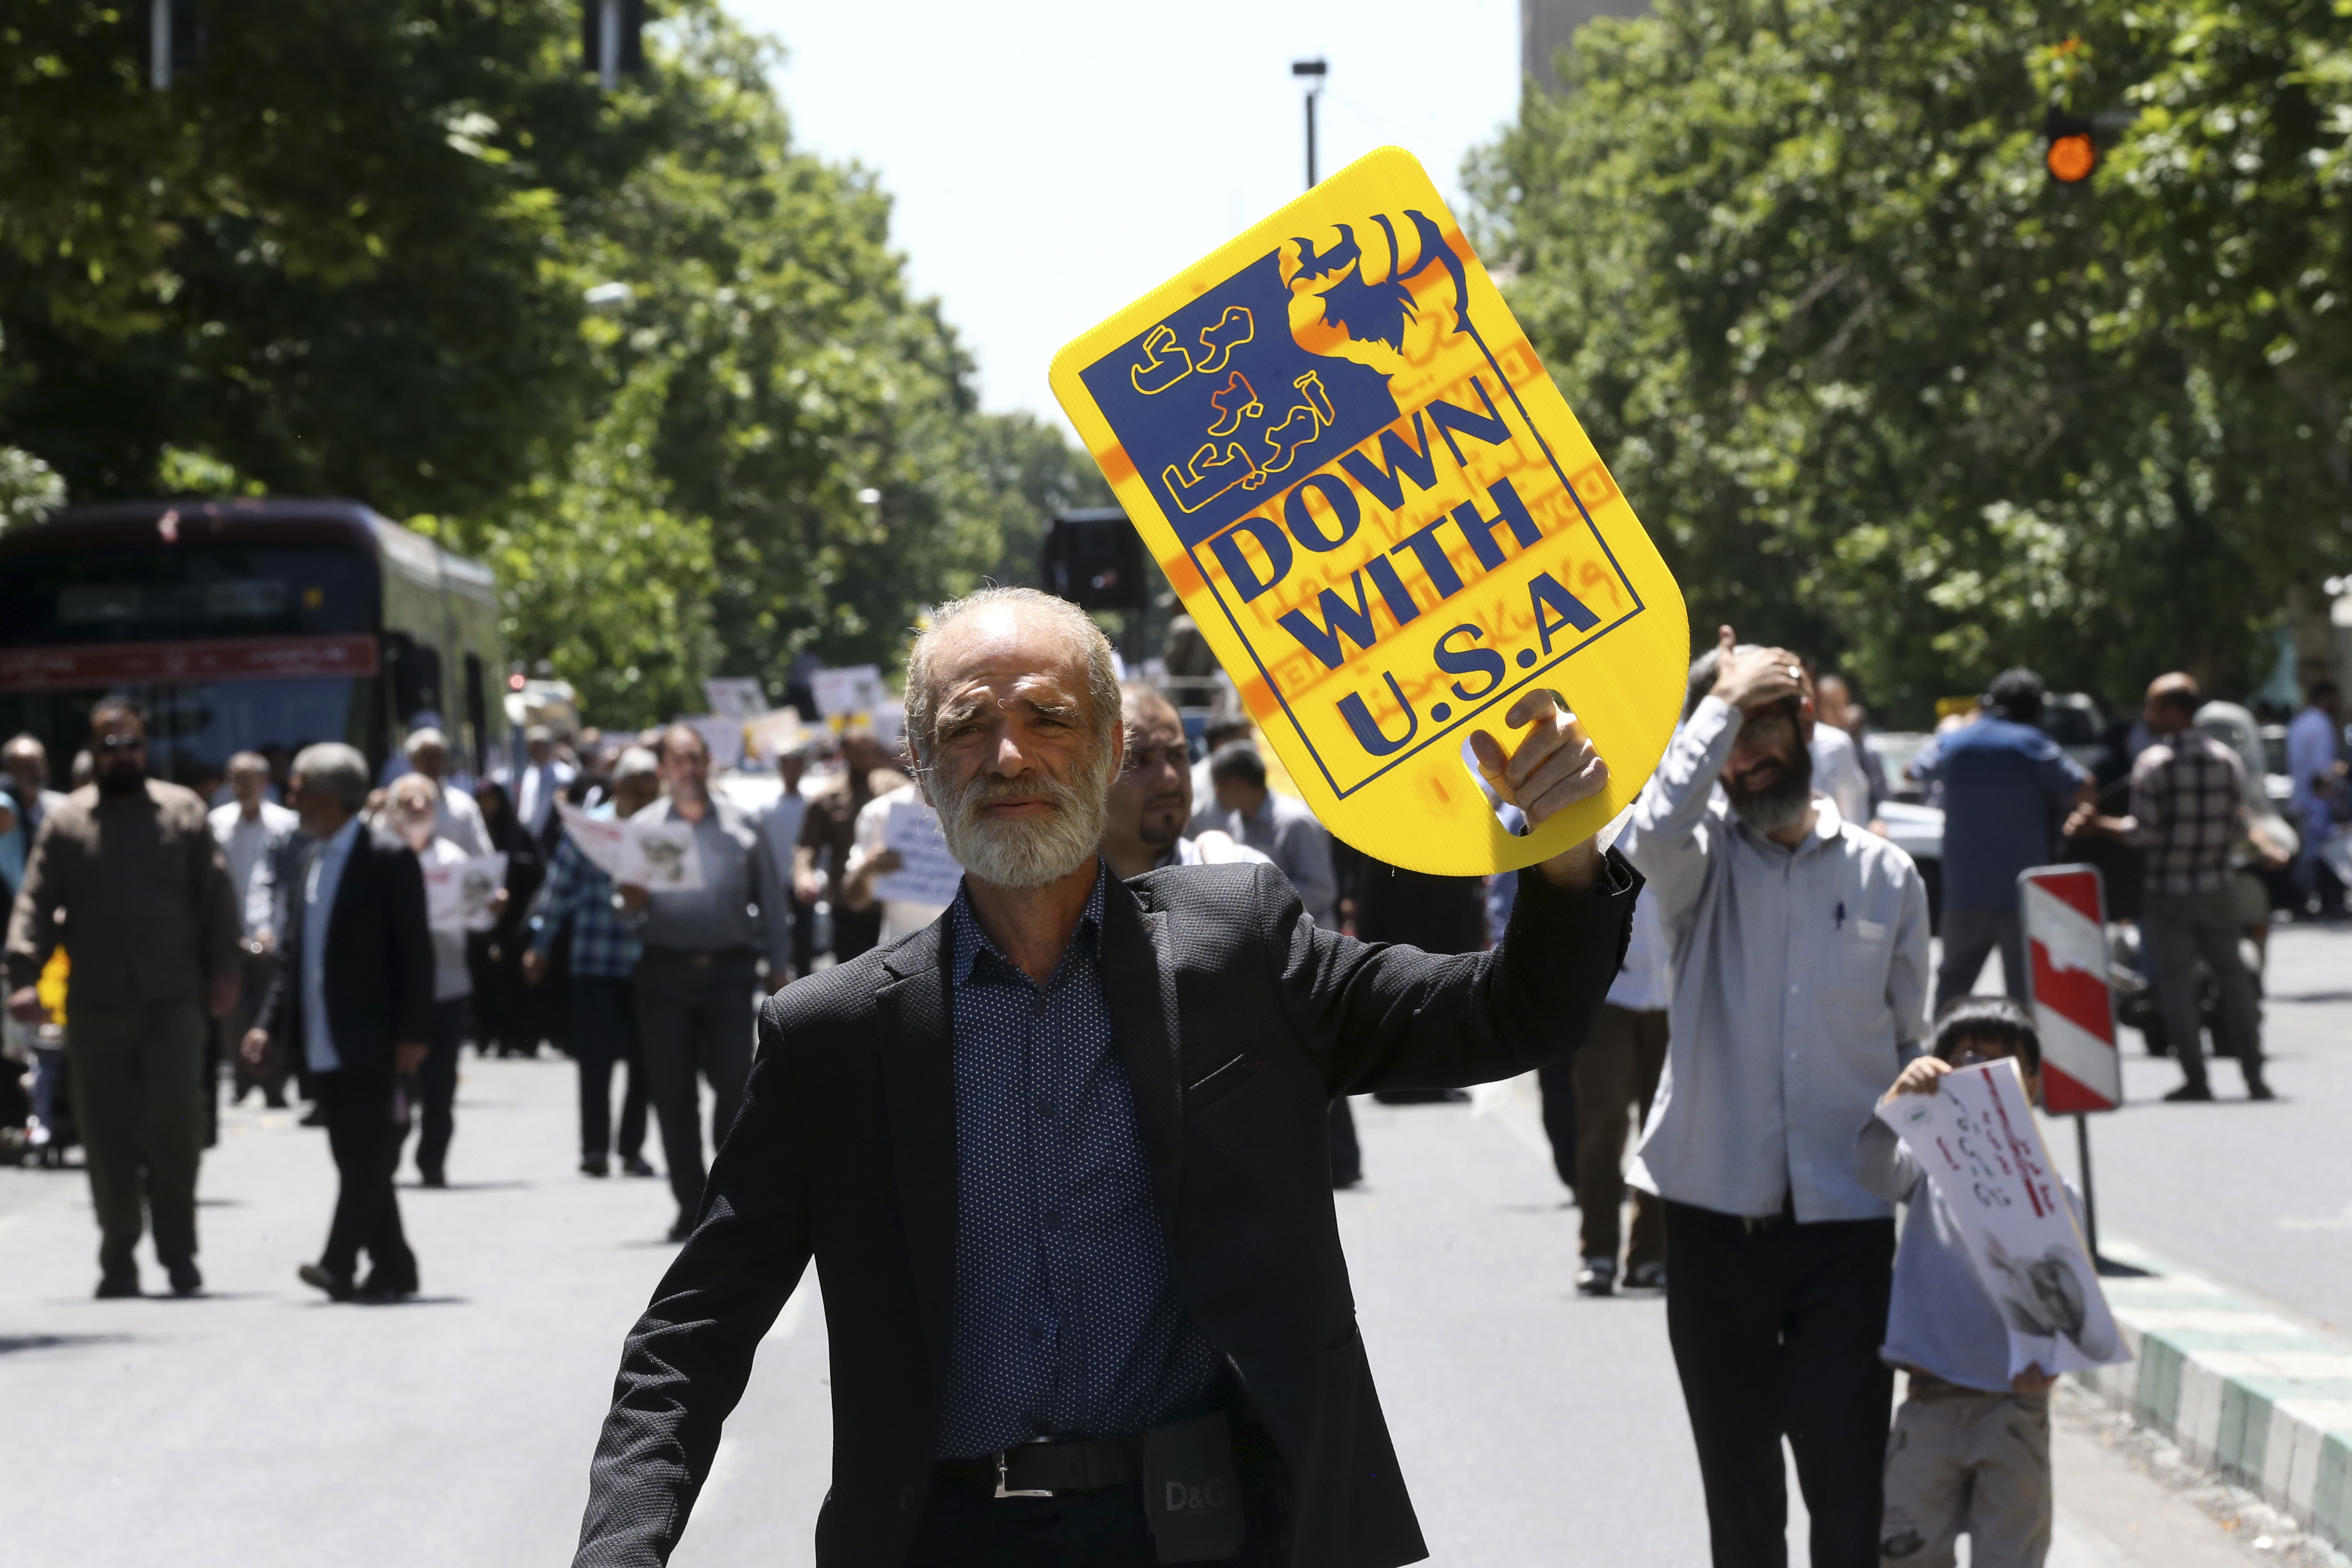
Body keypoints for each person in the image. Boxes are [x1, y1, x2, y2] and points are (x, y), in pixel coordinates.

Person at [570, 585, 1635, 1568]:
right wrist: (619, 1549)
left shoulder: (1238, 949)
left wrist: (1563, 849)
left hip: (1207, 1531)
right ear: (916, 758)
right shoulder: (834, 1037)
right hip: (947, 1538)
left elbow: (1510, 1013)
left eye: (1047, 718)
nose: (1007, 756)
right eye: (964, 727)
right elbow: (690, 1336)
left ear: (1111, 743)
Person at [1619, 627, 1931, 1568]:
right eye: (1729, 740)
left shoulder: (1888, 876)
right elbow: (1643, 836)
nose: (1747, 759)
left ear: (1804, 726)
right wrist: (1715, 703)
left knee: (1847, 1494)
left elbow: (1912, 1045)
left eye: (1762, 729)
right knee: (1743, 1505)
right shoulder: (1696, 866)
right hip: (1716, 1226)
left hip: (1847, 1229)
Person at [5, 699, 242, 1299]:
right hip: (97, 1003)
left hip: (173, 999)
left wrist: (225, 972)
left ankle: (178, 1249)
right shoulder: (68, 823)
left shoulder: (181, 810)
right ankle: (118, 1254)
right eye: (110, 747)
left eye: (131, 743)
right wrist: (24, 975)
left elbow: (217, 897)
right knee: (104, 1132)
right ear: (93, 754)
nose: (122, 755)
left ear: (145, 747)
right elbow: (35, 904)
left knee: (175, 1123)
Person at [1860, 997, 2076, 1568]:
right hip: (1928, 1405)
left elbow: (2073, 1303)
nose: (1983, 1079)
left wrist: (2054, 1358)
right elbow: (1870, 1168)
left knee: (2012, 1555)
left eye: (2001, 1068)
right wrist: (1896, 1103)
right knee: (1907, 1553)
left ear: (2031, 1085)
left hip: (2014, 1410)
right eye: (1968, 1061)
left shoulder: (2053, 1195)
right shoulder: (1925, 1171)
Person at [243, 743, 432, 1301]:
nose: (290, 795)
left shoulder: (387, 856)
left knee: (365, 1154)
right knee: (357, 1155)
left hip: (374, 1039)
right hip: (323, 1039)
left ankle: (339, 1262)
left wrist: (413, 1033)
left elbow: (415, 955)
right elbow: (294, 958)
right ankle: (394, 1264)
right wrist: (266, 1025)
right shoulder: (311, 857)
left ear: (326, 796)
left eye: (298, 786)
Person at [624, 724, 794, 1241]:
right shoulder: (645, 828)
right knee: (672, 1094)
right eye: (678, 760)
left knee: (732, 1086)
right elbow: (626, 911)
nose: (688, 768)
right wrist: (629, 899)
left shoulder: (743, 823)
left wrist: (779, 965)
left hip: (728, 972)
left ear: (708, 763)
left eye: (696, 758)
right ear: (664, 770)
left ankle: (727, 1200)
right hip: (664, 972)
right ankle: (690, 1204)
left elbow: (770, 897)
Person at [2067, 673, 2270, 1101]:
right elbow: (2238, 825)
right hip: (2217, 888)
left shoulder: (2154, 764)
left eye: (2154, 707)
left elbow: (2142, 834)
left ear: (2175, 711)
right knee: (2234, 981)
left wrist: (2097, 825)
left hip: (2168, 892)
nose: (2147, 715)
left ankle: (2197, 1079)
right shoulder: (2226, 761)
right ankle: (2254, 1076)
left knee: (2177, 987)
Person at [1915, 669, 2093, 1012]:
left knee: (1952, 987)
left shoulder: (1957, 741)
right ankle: (2025, 1064)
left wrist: (1958, 725)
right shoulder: (2032, 743)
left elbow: (1913, 770)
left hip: (1966, 891)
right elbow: (2082, 785)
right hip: (2023, 893)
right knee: (2023, 995)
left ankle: (1937, 1059)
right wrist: (2081, 815)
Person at [527, 747, 658, 1179]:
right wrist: (540, 944)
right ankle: (595, 1148)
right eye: (635, 791)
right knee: (595, 1060)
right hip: (595, 961)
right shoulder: (590, 830)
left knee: (647, 1062)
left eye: (649, 791)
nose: (642, 800)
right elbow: (559, 888)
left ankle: (632, 1148)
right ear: (618, 786)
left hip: (648, 961)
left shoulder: (663, 831)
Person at [1572, 887, 1670, 1296]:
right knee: (1601, 1124)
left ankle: (1651, 1254)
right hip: (1609, 993)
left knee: (1666, 1129)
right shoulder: (1598, 820)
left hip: (1674, 990)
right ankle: (1598, 1251)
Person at [381, 775, 477, 1187]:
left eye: (426, 800)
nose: (418, 805)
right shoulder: (381, 858)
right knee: (393, 1083)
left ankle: (433, 1158)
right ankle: (385, 1153)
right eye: (408, 800)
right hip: (394, 992)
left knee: (440, 1084)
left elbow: (479, 915)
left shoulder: (454, 859)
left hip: (447, 983)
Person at [1097, 683, 1268, 879]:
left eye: (1176, 756)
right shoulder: (1062, 895)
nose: (1169, 778)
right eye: (1138, 761)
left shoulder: (1251, 879)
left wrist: (1233, 893)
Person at [210, 752, 301, 1110]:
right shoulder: (216, 824)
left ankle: (275, 1084)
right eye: (237, 779)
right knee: (234, 1012)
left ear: (266, 783)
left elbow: (286, 885)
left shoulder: (287, 824)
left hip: (272, 934)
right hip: (230, 935)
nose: (243, 787)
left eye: (251, 779)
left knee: (271, 1011)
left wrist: (274, 930)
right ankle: (242, 1079)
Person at [1198, 741, 1339, 929]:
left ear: (1237, 785)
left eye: (1218, 784)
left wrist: (1263, 900)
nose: (1215, 793)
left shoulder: (1295, 822)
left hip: (1310, 939)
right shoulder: (1235, 822)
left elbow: (1322, 890)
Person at [798, 728, 903, 964]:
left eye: (869, 753)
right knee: (852, 977)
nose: (865, 760)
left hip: (889, 902)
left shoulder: (894, 788)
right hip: (847, 906)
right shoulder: (826, 799)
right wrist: (804, 875)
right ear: (843, 753)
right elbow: (808, 845)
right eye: (858, 754)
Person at [471, 778, 550, 1059]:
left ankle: (516, 1039)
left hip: (514, 920)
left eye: (491, 799)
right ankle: (486, 1035)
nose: (486, 806)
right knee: (484, 980)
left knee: (513, 981)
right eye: (481, 800)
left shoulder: (519, 834)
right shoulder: (475, 834)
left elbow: (539, 876)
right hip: (480, 920)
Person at [842, 773, 955, 946]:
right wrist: (868, 868)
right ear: (914, 754)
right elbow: (855, 900)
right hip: (900, 951)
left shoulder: (977, 809)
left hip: (966, 953)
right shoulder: (880, 813)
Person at [2287, 680, 2345, 919]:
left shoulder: (2300, 722)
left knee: (2307, 855)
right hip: (2318, 800)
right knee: (2325, 855)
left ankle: (2303, 902)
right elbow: (2324, 771)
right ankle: (2325, 903)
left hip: (2302, 798)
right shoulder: (2321, 725)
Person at [759, 744, 813, 979]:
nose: (792, 771)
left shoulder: (811, 806)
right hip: (776, 882)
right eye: (787, 766)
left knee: (804, 935)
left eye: (796, 766)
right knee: (778, 933)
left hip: (803, 883)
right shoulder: (767, 809)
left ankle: (805, 980)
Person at [398, 726, 490, 854]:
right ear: (413, 761)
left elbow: (482, 855)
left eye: (439, 757)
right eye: (428, 757)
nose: (435, 764)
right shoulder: (397, 806)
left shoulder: (463, 805)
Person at [507, 723, 579, 846]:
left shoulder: (565, 775)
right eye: (530, 748)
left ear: (548, 748)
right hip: (530, 837)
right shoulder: (531, 773)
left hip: (554, 838)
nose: (533, 752)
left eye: (538, 747)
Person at [3, 732, 68, 839]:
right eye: (25, 766)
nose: (35, 773)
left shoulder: (63, 808)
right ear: (9, 770)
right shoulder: (3, 810)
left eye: (39, 764)